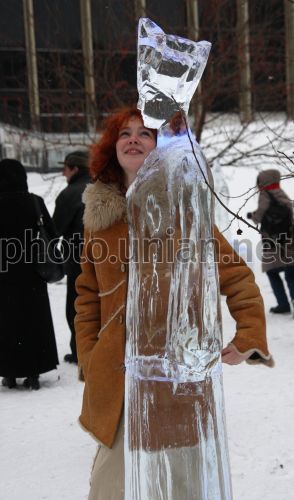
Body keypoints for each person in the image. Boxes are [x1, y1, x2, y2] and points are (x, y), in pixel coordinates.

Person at [74, 108, 272, 499]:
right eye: (124, 134)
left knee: (179, 486)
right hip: (117, 378)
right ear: (112, 148)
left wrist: (249, 333)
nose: (133, 139)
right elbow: (86, 297)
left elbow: (236, 276)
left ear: (160, 148)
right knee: (110, 488)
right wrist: (91, 356)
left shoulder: (187, 211)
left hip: (175, 378)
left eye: (144, 134)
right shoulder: (99, 220)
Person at [0, 159, 59, 390]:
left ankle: (10, 373)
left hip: (3, 277)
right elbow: (52, 234)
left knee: (6, 323)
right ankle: (33, 371)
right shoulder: (35, 202)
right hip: (33, 274)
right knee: (33, 321)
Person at [53, 150, 90, 363]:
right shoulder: (103, 188)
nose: (63, 173)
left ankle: (80, 351)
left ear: (75, 169)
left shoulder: (70, 194)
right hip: (108, 258)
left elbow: (54, 229)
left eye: (65, 168)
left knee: (77, 306)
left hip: (77, 259)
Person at [247, 169, 294, 314]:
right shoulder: (281, 193)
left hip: (272, 242)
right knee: (290, 272)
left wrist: (252, 216)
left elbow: (260, 215)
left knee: (272, 272)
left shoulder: (264, 194)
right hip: (289, 239)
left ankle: (283, 304)